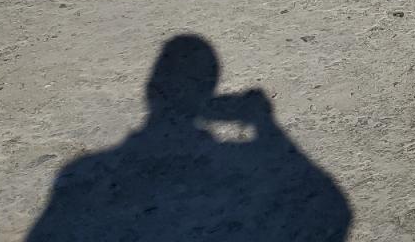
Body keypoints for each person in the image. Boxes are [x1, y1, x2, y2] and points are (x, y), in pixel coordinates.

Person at [27, 34, 352, 241]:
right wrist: (266, 125)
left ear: (151, 89)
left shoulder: (81, 172)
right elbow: (333, 206)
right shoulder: (245, 163)